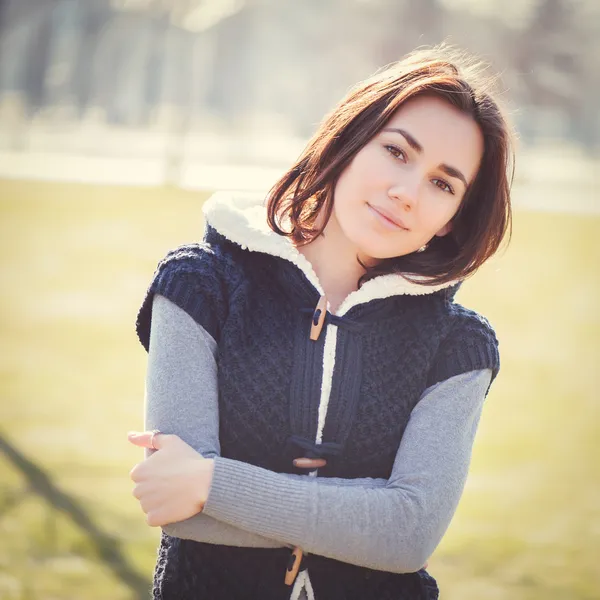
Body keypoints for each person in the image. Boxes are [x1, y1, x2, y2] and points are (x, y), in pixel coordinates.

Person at [128, 44, 513, 600]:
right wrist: (359, 514)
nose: (406, 194)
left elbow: (408, 538)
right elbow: (178, 512)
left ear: (453, 220)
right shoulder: (198, 285)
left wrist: (211, 481)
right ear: (350, 141)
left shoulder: (459, 345)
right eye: (397, 153)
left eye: (442, 184)